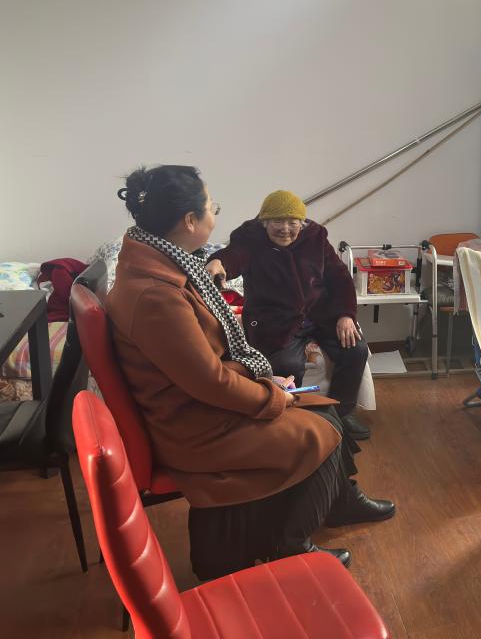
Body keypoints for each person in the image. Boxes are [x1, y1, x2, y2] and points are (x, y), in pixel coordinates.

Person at [105, 165, 394, 580]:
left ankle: (340, 502)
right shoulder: (156, 293)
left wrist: (260, 379)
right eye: (212, 207)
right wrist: (271, 393)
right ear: (190, 221)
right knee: (323, 430)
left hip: (197, 403)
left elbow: (200, 366)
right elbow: (208, 380)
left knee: (327, 408)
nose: (214, 214)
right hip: (196, 426)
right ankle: (290, 546)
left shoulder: (160, 265)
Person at [205, 190, 372, 440]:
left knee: (356, 350)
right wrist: (219, 262)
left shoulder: (316, 237)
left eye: (292, 222)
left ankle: (342, 413)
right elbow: (235, 255)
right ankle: (295, 420)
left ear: (302, 223)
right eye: (277, 221)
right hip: (275, 318)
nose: (285, 229)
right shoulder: (250, 238)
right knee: (286, 365)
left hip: (320, 313)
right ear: (264, 222)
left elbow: (340, 277)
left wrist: (346, 314)